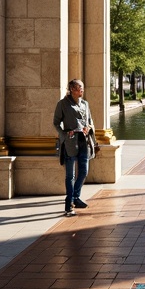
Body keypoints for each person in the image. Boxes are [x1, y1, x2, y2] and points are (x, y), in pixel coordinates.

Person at [54, 78, 93, 216]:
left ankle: (76, 197)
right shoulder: (62, 104)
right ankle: (68, 203)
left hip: (83, 141)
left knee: (84, 171)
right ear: (71, 90)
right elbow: (56, 123)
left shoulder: (85, 104)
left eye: (82, 87)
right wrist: (64, 134)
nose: (81, 90)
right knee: (70, 175)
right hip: (70, 142)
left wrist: (89, 127)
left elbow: (90, 121)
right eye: (78, 88)